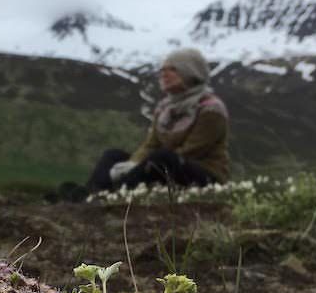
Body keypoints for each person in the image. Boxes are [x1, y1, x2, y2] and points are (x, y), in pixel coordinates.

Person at [85, 47, 229, 194]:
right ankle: (90, 193)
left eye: (172, 69)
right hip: (161, 165)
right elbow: (150, 145)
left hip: (205, 176)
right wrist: (133, 163)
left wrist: (139, 166)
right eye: (162, 69)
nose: (163, 74)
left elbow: (191, 151)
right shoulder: (164, 108)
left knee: (162, 157)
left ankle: (114, 192)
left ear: (191, 73)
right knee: (112, 155)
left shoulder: (212, 109)